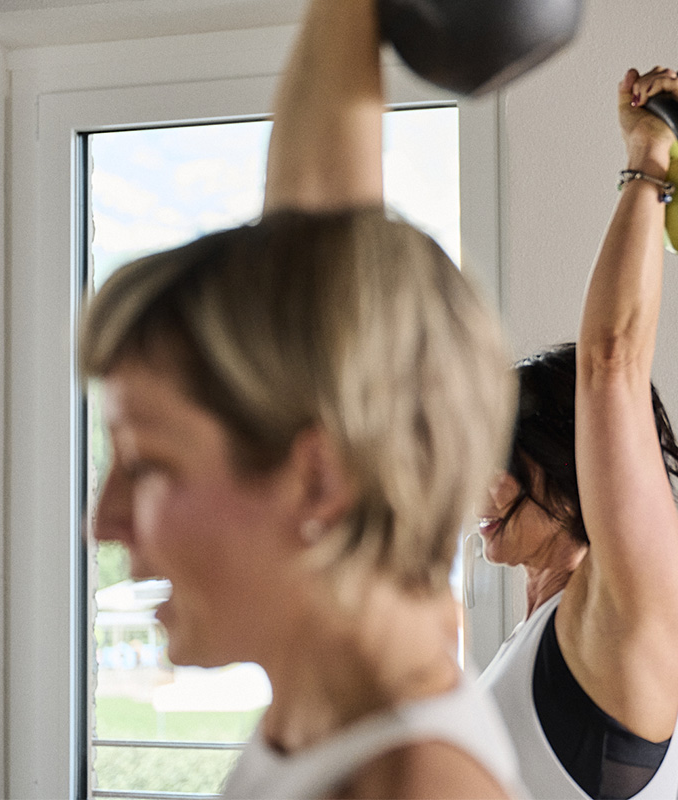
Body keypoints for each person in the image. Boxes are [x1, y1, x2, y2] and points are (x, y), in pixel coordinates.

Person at [81, 1, 525, 797]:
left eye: (146, 465)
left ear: (319, 478)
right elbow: (318, 234)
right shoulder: (341, 685)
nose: (102, 520)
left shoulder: (414, 784)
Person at [476, 67, 678, 799]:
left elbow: (611, 365)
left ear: (566, 464)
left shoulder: (629, 606)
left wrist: (649, 161)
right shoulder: (539, 630)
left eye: (499, 459)